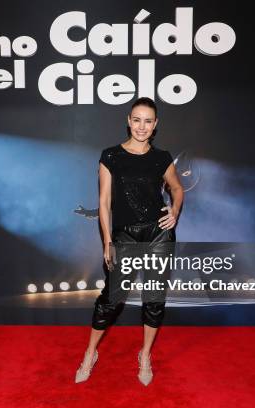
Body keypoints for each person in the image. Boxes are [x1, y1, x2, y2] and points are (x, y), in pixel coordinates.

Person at [75, 97, 184, 386]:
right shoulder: (110, 155)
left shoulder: (162, 158)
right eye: (137, 119)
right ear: (128, 120)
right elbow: (103, 201)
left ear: (155, 125)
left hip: (159, 235)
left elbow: (176, 187)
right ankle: (90, 353)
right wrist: (107, 240)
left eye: (148, 121)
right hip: (125, 236)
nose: (142, 126)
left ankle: (145, 355)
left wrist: (174, 210)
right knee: (110, 301)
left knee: (154, 299)